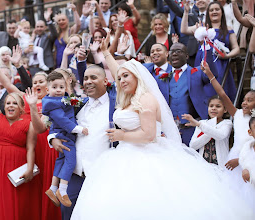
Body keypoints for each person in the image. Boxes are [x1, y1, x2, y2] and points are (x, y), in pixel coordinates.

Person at [71, 59, 254, 220]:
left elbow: (149, 135)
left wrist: (121, 135)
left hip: (147, 155)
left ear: (137, 76)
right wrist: (105, 52)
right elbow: (118, 72)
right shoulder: (129, 99)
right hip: (124, 154)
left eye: (126, 76)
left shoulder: (147, 99)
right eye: (119, 78)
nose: (122, 81)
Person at [49, 64, 117, 220]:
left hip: (101, 177)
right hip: (74, 175)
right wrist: (52, 139)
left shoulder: (115, 106)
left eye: (94, 77)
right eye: (85, 78)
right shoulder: (77, 105)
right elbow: (56, 123)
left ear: (105, 80)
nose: (88, 81)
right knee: (68, 215)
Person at [0, 61, 41, 220]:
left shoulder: (28, 123)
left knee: (15, 203)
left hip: (16, 166)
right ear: (3, 105)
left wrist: (29, 168)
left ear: (21, 108)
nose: (11, 106)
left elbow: (31, 148)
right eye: (8, 103)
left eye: (14, 103)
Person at [201, 62, 255, 206]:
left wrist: (240, 161)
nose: (244, 103)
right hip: (232, 159)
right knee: (231, 195)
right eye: (244, 100)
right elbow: (222, 94)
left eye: (250, 101)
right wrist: (209, 74)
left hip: (249, 161)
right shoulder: (237, 115)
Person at [43, 72, 88, 208]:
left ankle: (53, 188)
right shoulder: (52, 103)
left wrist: (68, 87)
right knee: (70, 161)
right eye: (55, 87)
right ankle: (62, 190)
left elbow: (77, 101)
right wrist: (79, 129)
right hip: (65, 135)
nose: (58, 90)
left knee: (61, 161)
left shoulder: (63, 98)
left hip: (65, 135)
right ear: (48, 89)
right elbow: (62, 121)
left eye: (61, 87)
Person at [181, 1, 239, 101]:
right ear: (208, 13)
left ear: (222, 12)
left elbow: (237, 48)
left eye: (217, 9)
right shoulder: (202, 26)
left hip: (220, 63)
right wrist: (186, 12)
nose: (214, 12)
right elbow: (184, 30)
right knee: (204, 89)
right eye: (211, 10)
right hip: (203, 61)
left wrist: (227, 56)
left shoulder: (228, 29)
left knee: (220, 88)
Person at [184, 95, 232, 168]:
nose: (213, 108)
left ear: (225, 110)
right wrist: (207, 131)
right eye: (211, 106)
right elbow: (193, 145)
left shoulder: (227, 123)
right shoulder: (202, 123)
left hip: (221, 167)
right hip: (204, 167)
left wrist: (201, 126)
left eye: (218, 106)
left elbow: (220, 135)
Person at [162, 0, 211, 66]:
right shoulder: (191, 13)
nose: (200, 1)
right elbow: (177, 10)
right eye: (198, 0)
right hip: (193, 52)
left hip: (210, 51)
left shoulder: (214, 15)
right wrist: (186, 11)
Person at [24, 10, 58, 75]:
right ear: (35, 28)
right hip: (32, 67)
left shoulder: (47, 37)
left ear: (45, 27)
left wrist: (48, 20)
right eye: (38, 27)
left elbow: (54, 34)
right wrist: (26, 51)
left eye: (41, 27)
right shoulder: (32, 38)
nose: (39, 28)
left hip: (45, 66)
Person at [239, 116, 255, 210]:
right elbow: (243, 160)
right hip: (250, 192)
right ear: (250, 132)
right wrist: (245, 168)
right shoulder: (247, 148)